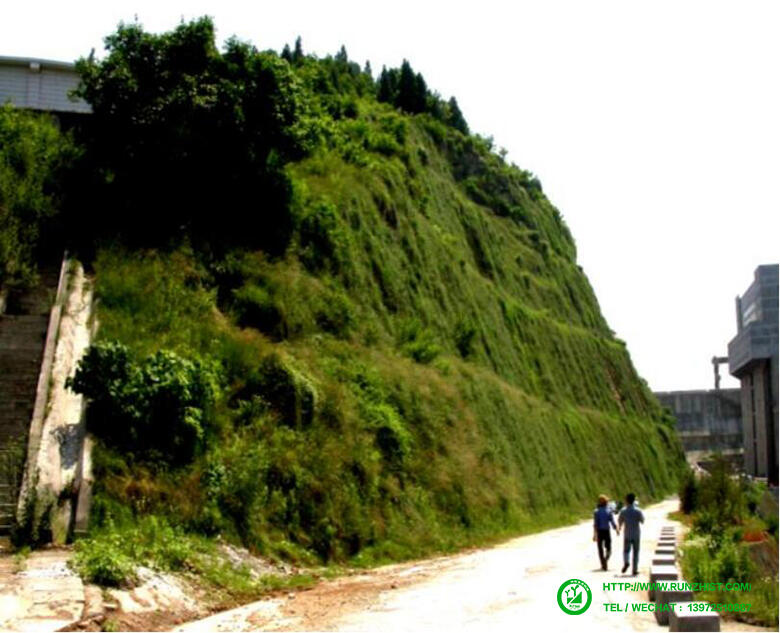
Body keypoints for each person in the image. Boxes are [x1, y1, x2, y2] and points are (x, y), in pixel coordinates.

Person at [618, 492, 645, 575]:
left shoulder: (623, 511)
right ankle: (634, 570)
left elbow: (620, 521)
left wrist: (619, 528)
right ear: (634, 500)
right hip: (636, 534)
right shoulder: (638, 511)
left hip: (627, 534)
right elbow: (642, 521)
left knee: (626, 550)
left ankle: (626, 561)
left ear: (627, 500)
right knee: (636, 552)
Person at [593, 494, 617, 570]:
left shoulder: (596, 511)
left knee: (600, 549)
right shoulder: (608, 511)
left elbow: (595, 524)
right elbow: (612, 521)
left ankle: (603, 563)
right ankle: (606, 558)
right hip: (606, 531)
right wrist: (616, 529)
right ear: (606, 502)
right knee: (608, 548)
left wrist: (594, 534)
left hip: (599, 532)